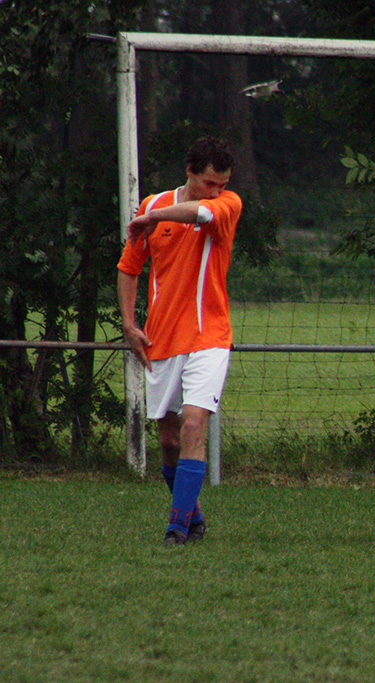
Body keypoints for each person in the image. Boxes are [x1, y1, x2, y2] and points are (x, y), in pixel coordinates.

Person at [117, 136, 243, 547]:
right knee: (169, 442)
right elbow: (129, 268)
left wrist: (153, 218)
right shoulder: (153, 206)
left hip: (210, 336)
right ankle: (194, 515)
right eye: (210, 182)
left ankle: (176, 529)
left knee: (193, 423)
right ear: (190, 172)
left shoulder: (227, 204)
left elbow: (202, 212)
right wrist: (129, 324)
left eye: (222, 183)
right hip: (162, 340)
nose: (217, 190)